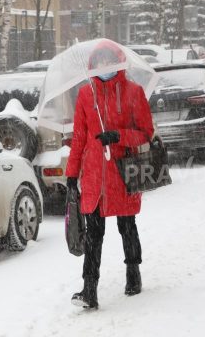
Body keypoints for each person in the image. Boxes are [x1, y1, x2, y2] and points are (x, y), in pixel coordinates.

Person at [66, 40, 154, 309]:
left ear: (117, 62)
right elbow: (79, 138)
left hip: (123, 172)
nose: (104, 67)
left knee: (127, 227)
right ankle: (89, 290)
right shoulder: (85, 95)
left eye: (108, 62)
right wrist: (72, 175)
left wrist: (118, 136)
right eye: (99, 63)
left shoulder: (133, 91)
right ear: (93, 66)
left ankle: (133, 273)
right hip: (94, 176)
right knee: (94, 234)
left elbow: (145, 133)